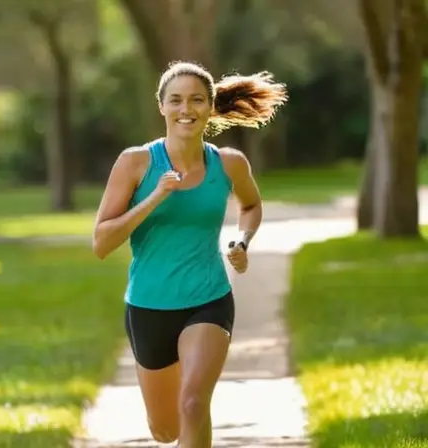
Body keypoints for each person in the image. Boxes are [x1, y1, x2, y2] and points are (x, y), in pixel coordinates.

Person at [92, 61, 287, 447]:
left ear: (210, 107)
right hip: (149, 305)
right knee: (166, 430)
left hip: (208, 299)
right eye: (177, 100)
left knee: (195, 403)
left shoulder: (229, 163)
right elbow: (101, 243)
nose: (187, 109)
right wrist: (155, 197)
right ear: (161, 106)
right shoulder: (136, 163)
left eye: (197, 100)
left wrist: (242, 241)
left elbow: (250, 206)